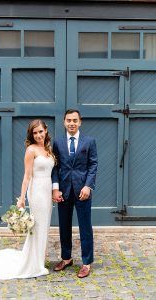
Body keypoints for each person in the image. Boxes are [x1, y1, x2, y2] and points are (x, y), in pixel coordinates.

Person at [0, 120, 55, 279]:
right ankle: (34, 264)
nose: (38, 135)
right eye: (35, 133)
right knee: (37, 227)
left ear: (46, 131)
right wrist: (22, 198)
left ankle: (38, 259)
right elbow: (27, 176)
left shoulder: (48, 149)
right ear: (31, 135)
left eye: (40, 131)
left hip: (47, 192)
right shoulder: (31, 150)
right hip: (37, 192)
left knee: (44, 226)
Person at [52, 109, 98, 278]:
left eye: (74, 120)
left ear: (80, 122)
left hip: (82, 191)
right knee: (64, 225)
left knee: (85, 227)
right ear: (64, 122)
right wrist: (55, 188)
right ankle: (66, 258)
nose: (71, 123)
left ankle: (86, 262)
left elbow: (93, 165)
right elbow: (55, 167)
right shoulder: (57, 142)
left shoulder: (89, 141)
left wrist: (88, 186)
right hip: (63, 191)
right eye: (68, 120)